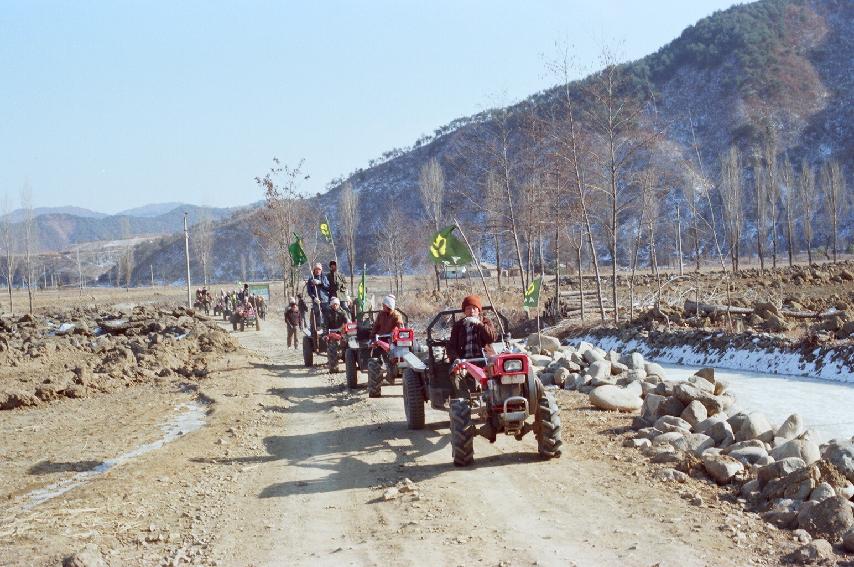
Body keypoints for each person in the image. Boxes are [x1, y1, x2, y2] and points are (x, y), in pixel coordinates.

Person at [367, 295, 404, 398]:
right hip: (381, 339)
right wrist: (372, 337)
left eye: (384, 306)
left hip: (393, 340)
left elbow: (400, 326)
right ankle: (376, 377)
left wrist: (395, 333)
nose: (383, 307)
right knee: (375, 357)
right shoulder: (381, 315)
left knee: (395, 355)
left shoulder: (397, 315)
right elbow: (376, 326)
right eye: (383, 305)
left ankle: (392, 371)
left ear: (389, 306)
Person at [447, 295, 497, 361]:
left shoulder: (485, 322)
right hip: (465, 361)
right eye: (468, 308)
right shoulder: (458, 325)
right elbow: (451, 346)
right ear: (464, 311)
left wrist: (479, 324)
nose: (471, 311)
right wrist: (456, 358)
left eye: (474, 308)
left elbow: (491, 338)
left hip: (484, 359)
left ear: (479, 311)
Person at [324, 297, 351, 372]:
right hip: (332, 331)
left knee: (350, 342)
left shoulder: (343, 312)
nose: (335, 306)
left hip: (341, 331)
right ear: (331, 305)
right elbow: (325, 325)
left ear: (339, 304)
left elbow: (347, 322)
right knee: (332, 345)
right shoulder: (328, 313)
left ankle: (350, 360)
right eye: (333, 305)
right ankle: (334, 366)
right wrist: (326, 333)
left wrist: (346, 328)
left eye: (336, 304)